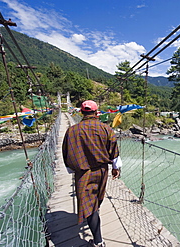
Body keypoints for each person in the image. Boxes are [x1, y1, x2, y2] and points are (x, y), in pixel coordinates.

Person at [62, 100, 121, 247]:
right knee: (94, 202)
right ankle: (98, 239)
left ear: (81, 113)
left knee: (90, 204)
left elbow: (66, 153)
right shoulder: (106, 129)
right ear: (96, 112)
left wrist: (72, 169)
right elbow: (114, 150)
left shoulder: (72, 131)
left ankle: (98, 242)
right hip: (102, 171)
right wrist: (115, 168)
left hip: (83, 173)